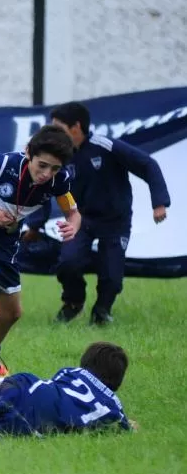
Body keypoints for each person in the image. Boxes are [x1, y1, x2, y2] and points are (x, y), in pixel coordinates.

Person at [0, 125, 80, 381]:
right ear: (29, 152)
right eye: (42, 165)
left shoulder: (58, 180)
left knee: (11, 313)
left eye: (54, 168)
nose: (46, 174)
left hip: (7, 244)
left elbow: (72, 212)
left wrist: (72, 226)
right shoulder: (4, 163)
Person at [46, 102, 170, 325]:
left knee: (112, 274)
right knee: (68, 262)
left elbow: (148, 165)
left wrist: (159, 202)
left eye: (58, 127)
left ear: (76, 127)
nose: (53, 132)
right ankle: (73, 303)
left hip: (115, 221)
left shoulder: (106, 146)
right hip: (80, 219)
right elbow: (45, 186)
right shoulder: (60, 154)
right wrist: (34, 225)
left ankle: (102, 311)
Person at [0, 342, 132, 439]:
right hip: (34, 419)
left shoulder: (72, 372)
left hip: (27, 386)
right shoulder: (113, 407)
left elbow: (55, 384)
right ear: (116, 384)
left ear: (86, 365)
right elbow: (125, 427)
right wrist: (130, 424)